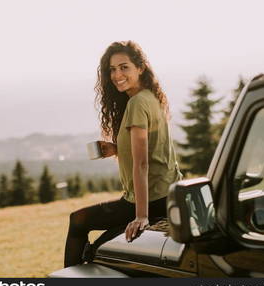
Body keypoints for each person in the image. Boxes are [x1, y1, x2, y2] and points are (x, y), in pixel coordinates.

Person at [63, 41, 182, 267]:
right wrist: (117, 149)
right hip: (166, 193)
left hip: (148, 200)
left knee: (77, 221)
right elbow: (152, 149)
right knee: (95, 242)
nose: (117, 74)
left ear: (140, 68)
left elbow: (142, 164)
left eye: (124, 67)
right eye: (112, 69)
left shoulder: (137, 103)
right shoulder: (150, 96)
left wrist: (141, 216)